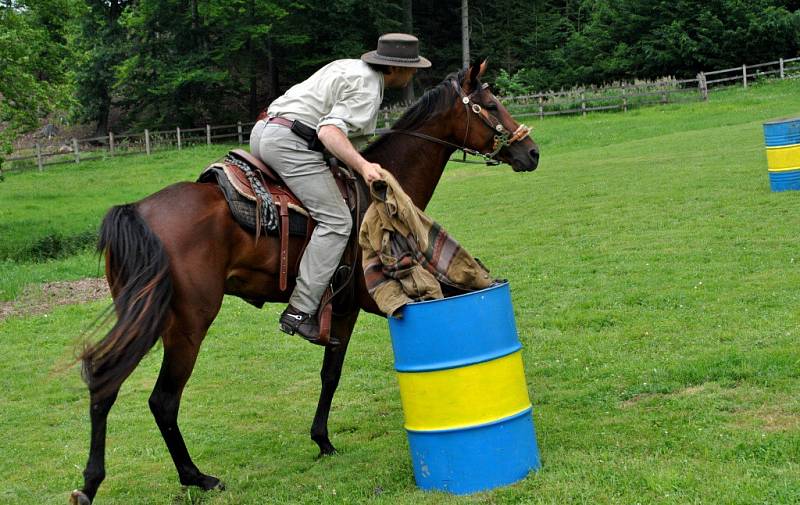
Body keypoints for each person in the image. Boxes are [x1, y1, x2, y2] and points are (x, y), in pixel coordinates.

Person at [250, 33, 431, 344]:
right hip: (289, 144)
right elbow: (330, 131)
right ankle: (300, 309)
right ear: (394, 69)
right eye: (411, 68)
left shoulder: (349, 67)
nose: (413, 73)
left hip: (264, 131)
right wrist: (363, 166)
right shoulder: (368, 88)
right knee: (336, 221)